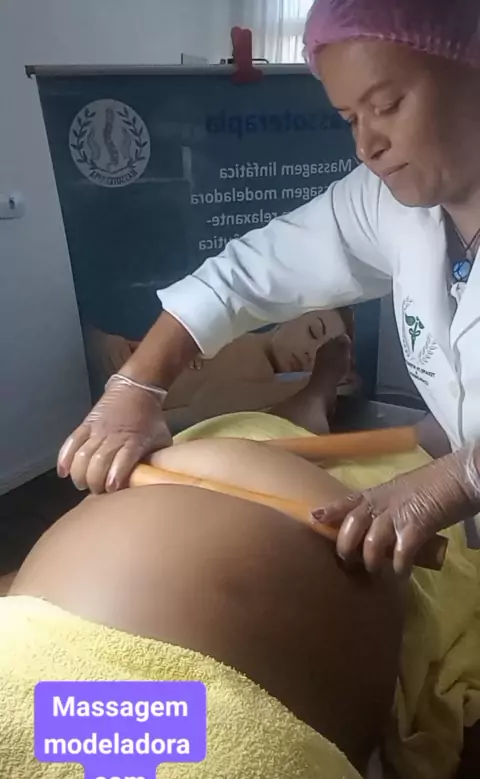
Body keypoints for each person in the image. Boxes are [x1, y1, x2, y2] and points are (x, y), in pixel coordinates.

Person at [58, 0, 480, 573]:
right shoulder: (388, 205)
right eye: (350, 119)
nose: (367, 146)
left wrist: (462, 477)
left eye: (386, 106)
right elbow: (247, 275)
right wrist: (137, 384)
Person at [2, 406, 480, 779]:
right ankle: (316, 406)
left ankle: (316, 405)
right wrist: (138, 385)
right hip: (70, 662)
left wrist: (462, 477)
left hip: (37, 653)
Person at [83, 309, 353, 434]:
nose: (309, 354)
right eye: (312, 332)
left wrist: (313, 382)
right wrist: (105, 343)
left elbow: (197, 412)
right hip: (108, 375)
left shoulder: (260, 375)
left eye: (318, 357)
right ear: (292, 313)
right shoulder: (239, 344)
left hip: (109, 411)